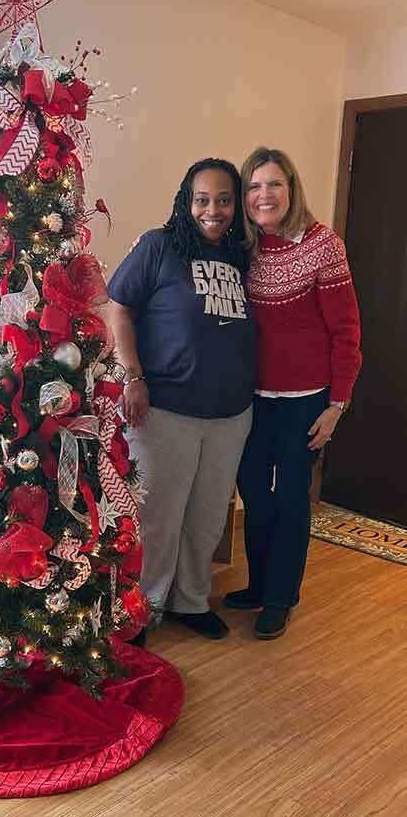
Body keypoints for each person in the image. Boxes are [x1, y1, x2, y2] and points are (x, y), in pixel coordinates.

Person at [108, 158, 256, 644]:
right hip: (165, 410)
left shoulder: (242, 255)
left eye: (224, 200)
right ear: (185, 201)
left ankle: (191, 601)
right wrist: (132, 376)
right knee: (157, 518)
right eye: (202, 199)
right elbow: (119, 309)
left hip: (230, 414)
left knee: (208, 517)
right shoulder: (159, 246)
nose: (213, 210)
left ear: (236, 205)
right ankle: (143, 609)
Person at [224, 147, 362, 640]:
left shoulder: (323, 245)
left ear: (291, 189)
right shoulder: (243, 247)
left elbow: (346, 331)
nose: (264, 195)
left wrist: (337, 405)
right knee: (252, 492)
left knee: (289, 500)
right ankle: (259, 585)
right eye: (254, 186)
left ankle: (281, 598)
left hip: (306, 400)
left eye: (274, 184)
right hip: (253, 399)